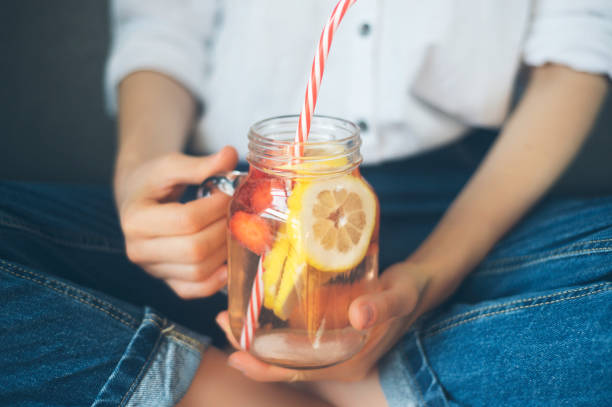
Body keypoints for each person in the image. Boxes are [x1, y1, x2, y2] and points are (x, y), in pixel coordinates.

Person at [2, 1, 610, 406]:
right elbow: (161, 29)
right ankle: (262, 393)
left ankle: (371, 378)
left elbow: (578, 54)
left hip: (466, 205)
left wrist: (425, 279)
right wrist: (140, 181)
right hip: (229, 208)